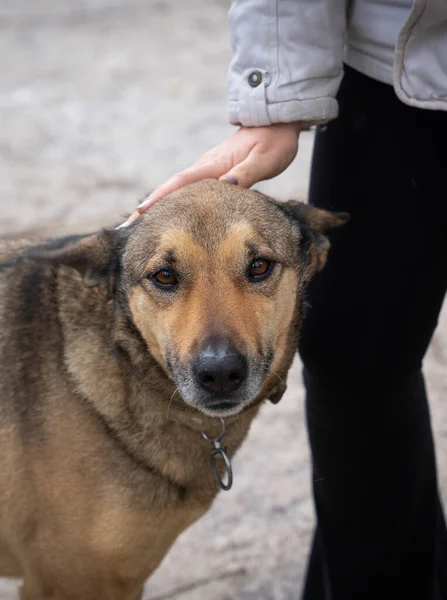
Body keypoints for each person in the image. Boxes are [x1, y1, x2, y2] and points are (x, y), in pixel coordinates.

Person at [122, 1, 447, 598]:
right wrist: (274, 101)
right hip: (401, 66)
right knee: (356, 360)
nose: (217, 355)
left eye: (259, 268)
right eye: (168, 280)